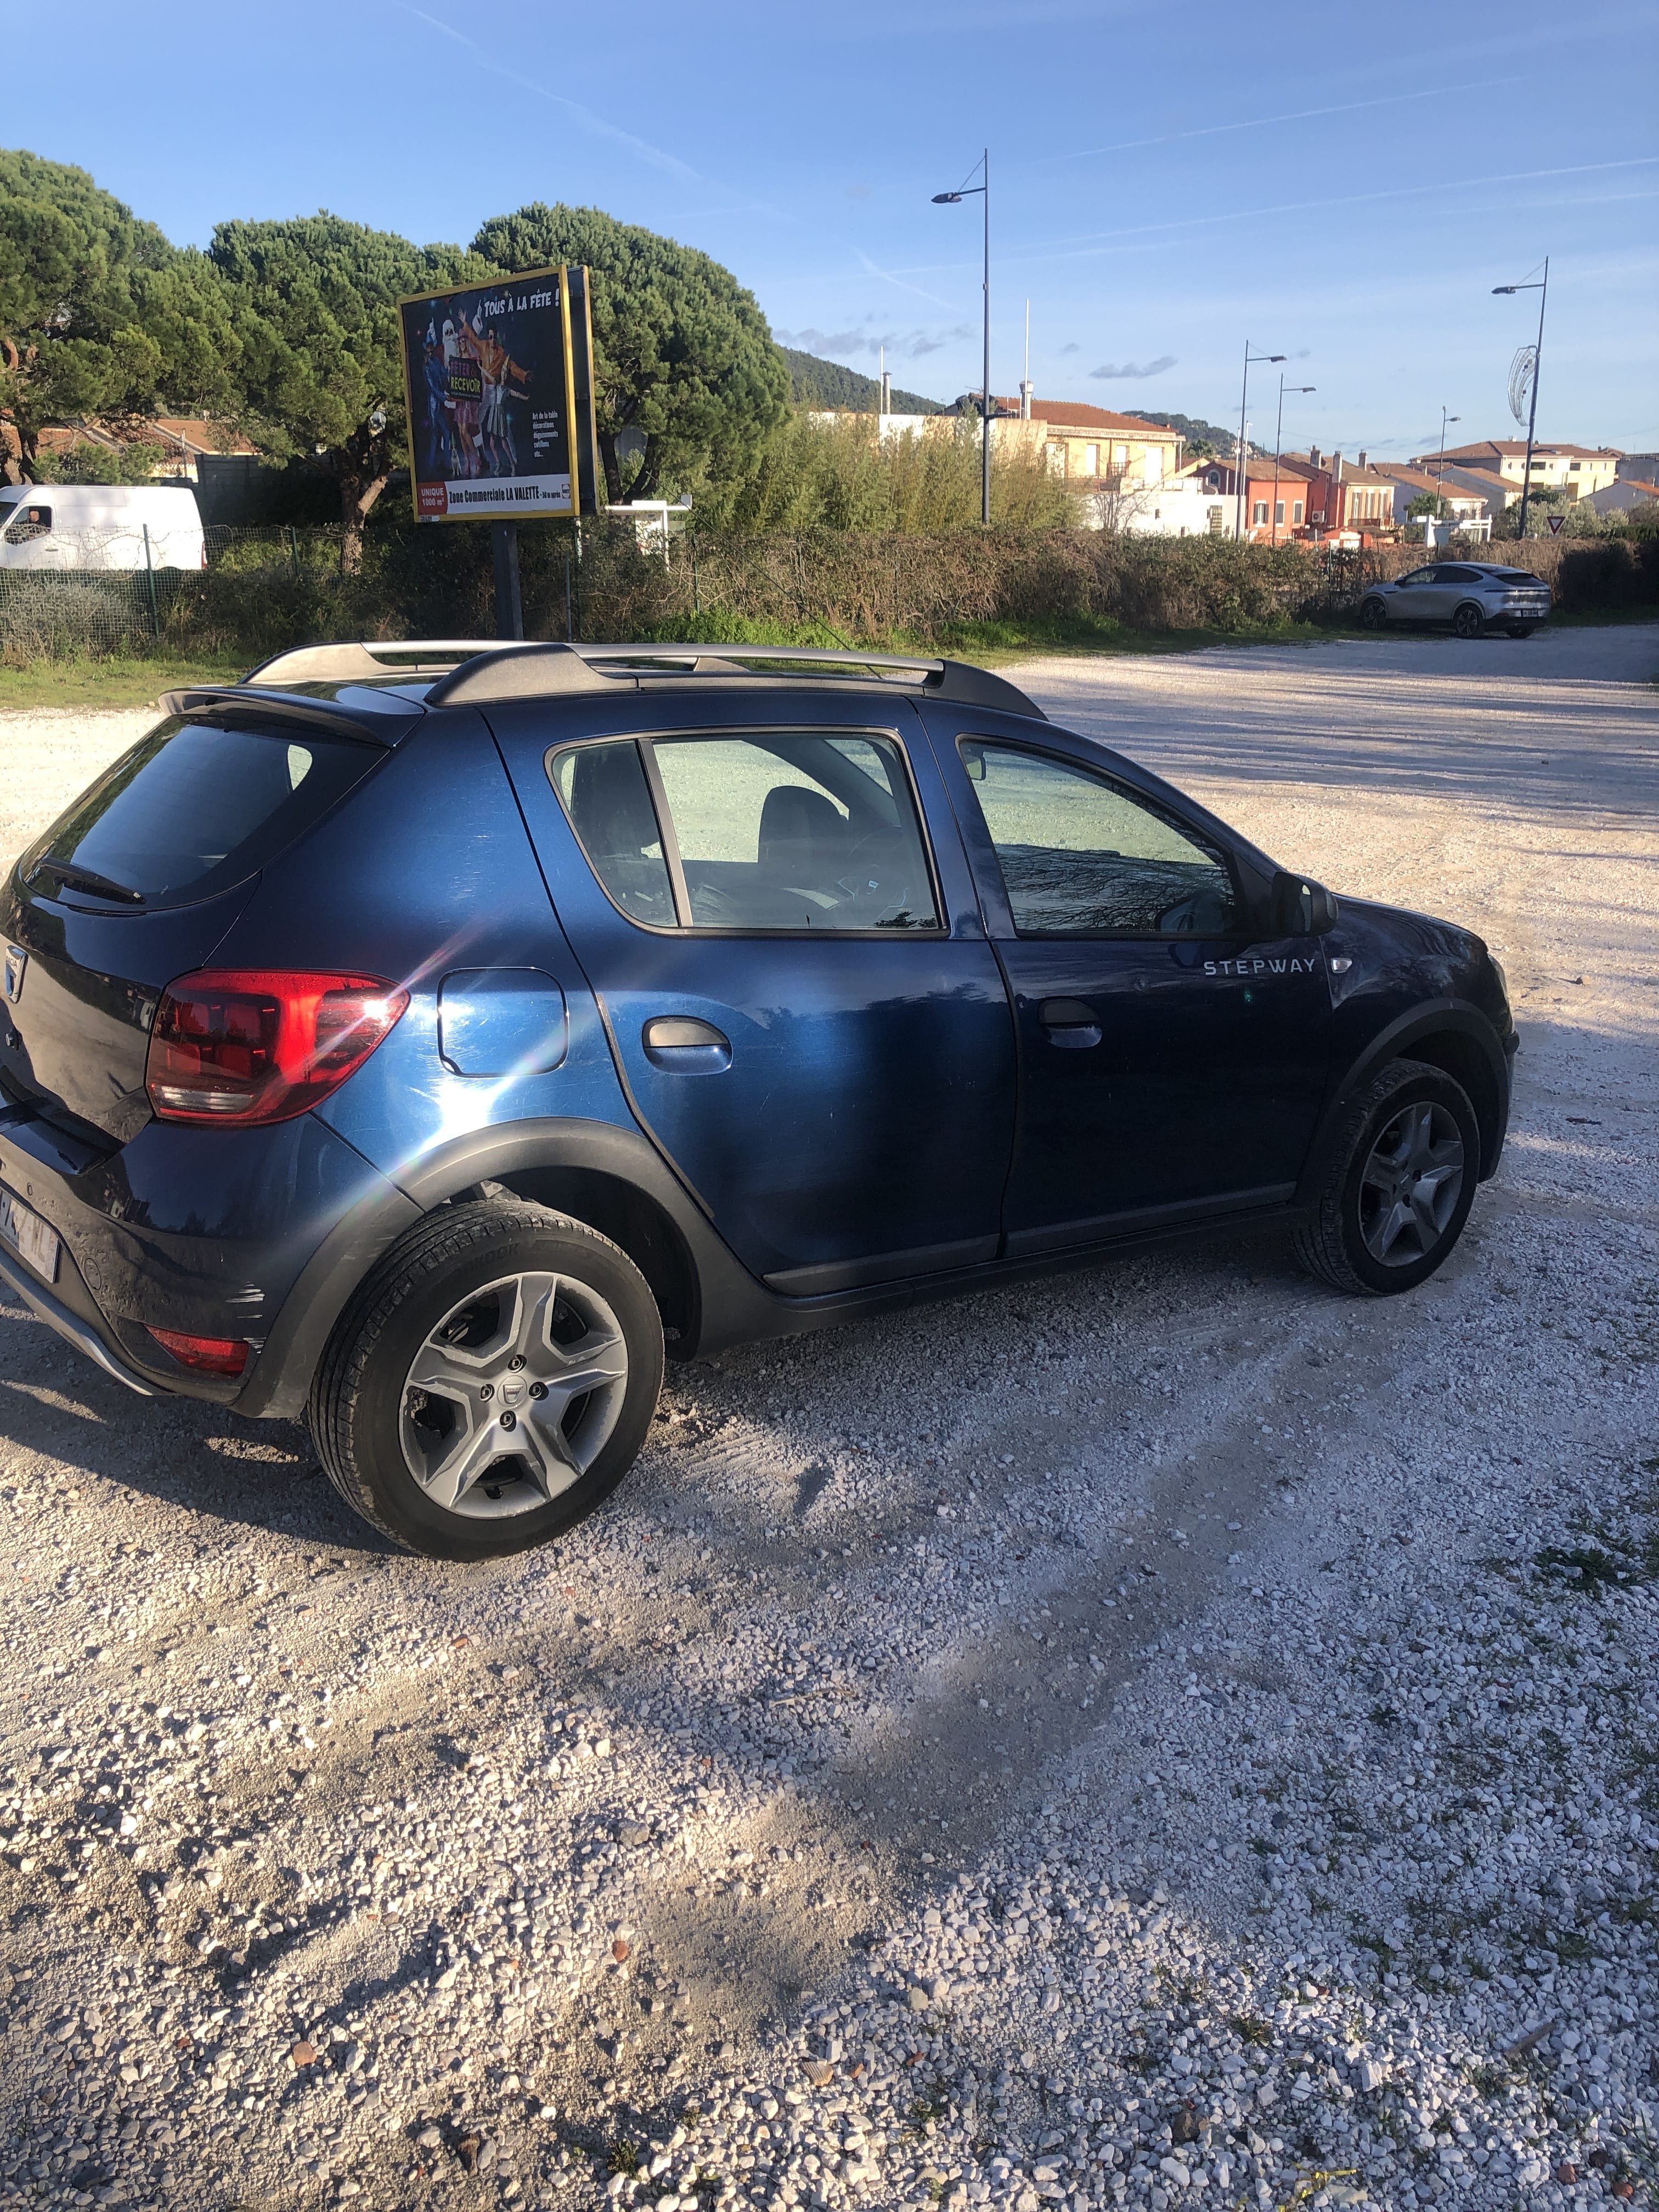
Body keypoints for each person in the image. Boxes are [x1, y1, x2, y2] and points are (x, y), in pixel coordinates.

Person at [473, 323, 533, 475]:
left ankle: (514, 460)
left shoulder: (501, 353)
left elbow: (511, 367)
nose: (492, 340)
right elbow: (473, 339)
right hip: (486, 391)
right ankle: (484, 459)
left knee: (505, 436)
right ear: (488, 337)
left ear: (497, 337)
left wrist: (524, 375)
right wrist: (465, 324)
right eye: (490, 337)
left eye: (494, 337)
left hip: (495, 392)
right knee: (477, 424)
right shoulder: (483, 346)